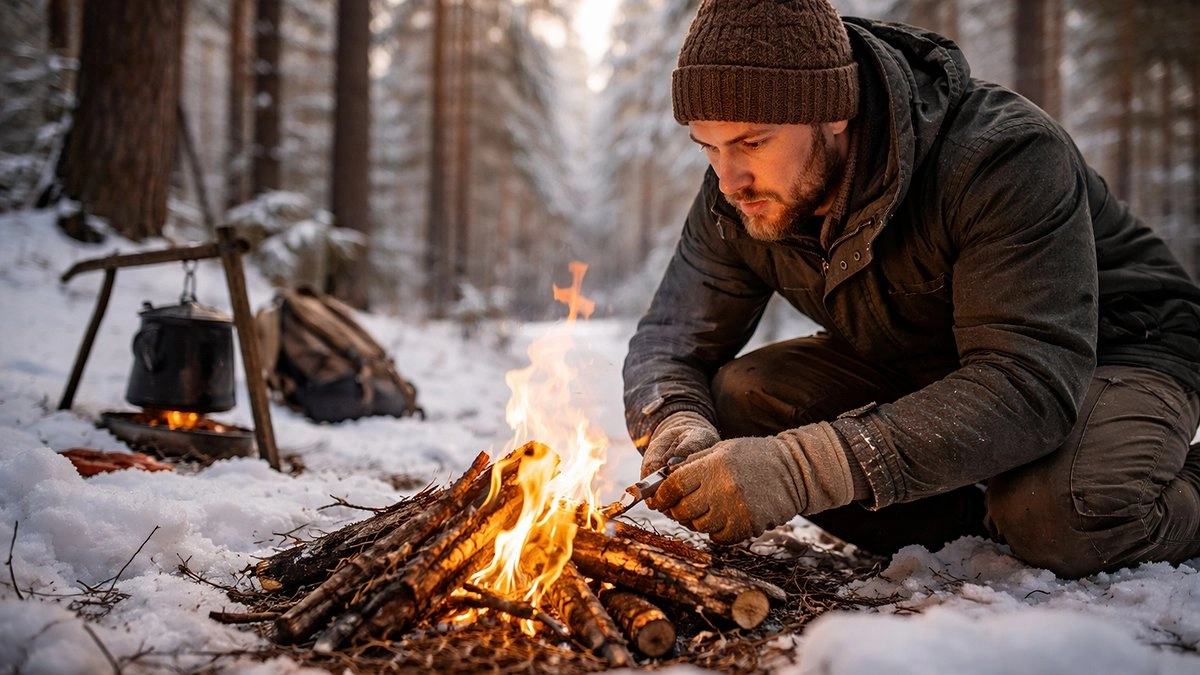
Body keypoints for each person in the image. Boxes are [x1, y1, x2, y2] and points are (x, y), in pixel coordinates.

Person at [623, 0, 1200, 579]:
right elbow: (673, 339)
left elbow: (1029, 382)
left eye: (753, 142)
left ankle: (1052, 508)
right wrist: (675, 421)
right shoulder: (744, 194)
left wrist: (804, 469)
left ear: (834, 113)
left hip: (1116, 345)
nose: (729, 179)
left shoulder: (1001, 155)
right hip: (937, 362)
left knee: (1066, 520)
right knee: (742, 397)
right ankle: (988, 527)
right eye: (708, 146)